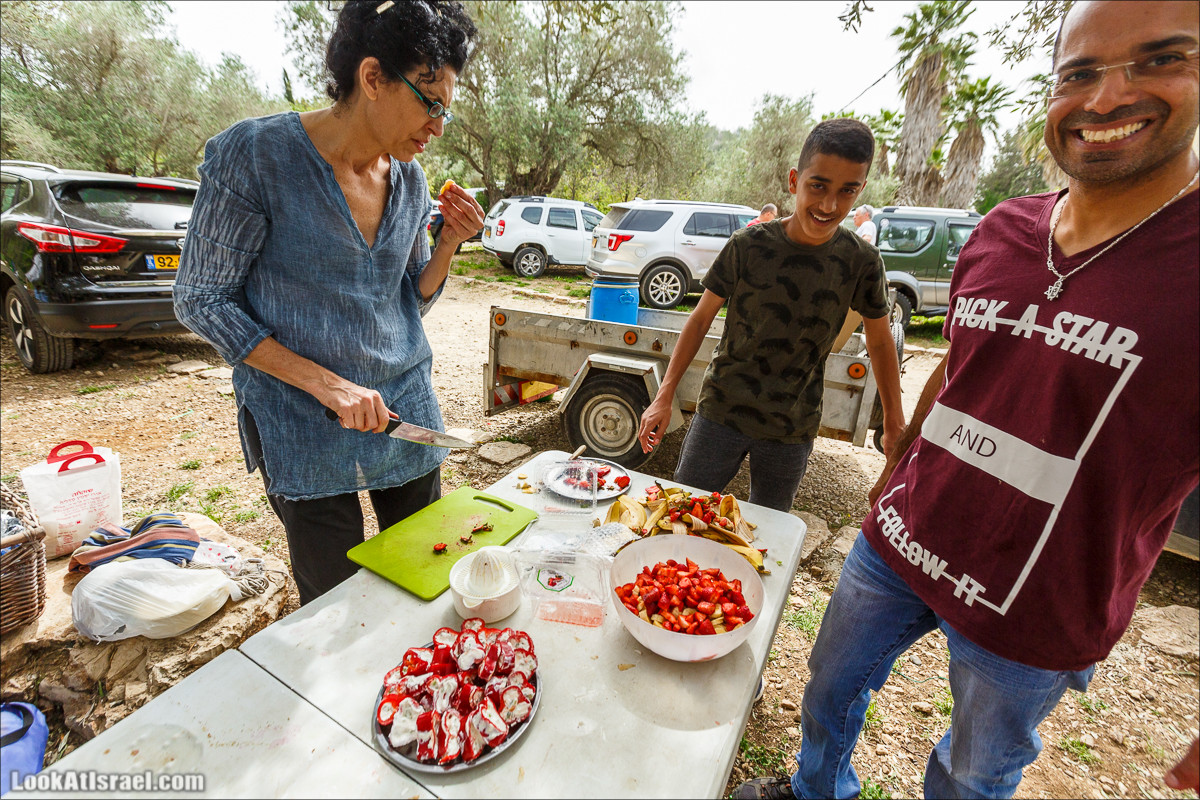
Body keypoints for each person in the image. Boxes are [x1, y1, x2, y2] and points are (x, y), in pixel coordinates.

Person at [734, 2, 1199, 798]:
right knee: (829, 687)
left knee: (972, 773)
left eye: (1161, 60)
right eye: (1079, 73)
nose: (1108, 96)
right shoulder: (1000, 230)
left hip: (1038, 606)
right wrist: (897, 459)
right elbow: (958, 368)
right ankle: (818, 792)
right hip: (902, 541)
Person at [174, 0, 483, 606]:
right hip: (302, 426)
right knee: (337, 605)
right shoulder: (255, 157)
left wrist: (448, 240)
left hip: (406, 411)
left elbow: (408, 299)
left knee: (428, 576)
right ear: (372, 78)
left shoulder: (412, 180)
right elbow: (200, 298)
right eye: (431, 101)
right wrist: (327, 385)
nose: (439, 125)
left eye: (447, 107)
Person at [637, 118, 905, 513]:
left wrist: (895, 426)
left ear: (860, 190)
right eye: (818, 186)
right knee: (681, 512)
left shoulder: (862, 261)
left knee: (767, 532)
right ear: (795, 180)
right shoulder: (747, 245)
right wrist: (664, 395)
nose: (830, 205)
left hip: (791, 429)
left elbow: (881, 343)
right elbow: (699, 320)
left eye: (846, 191)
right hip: (721, 414)